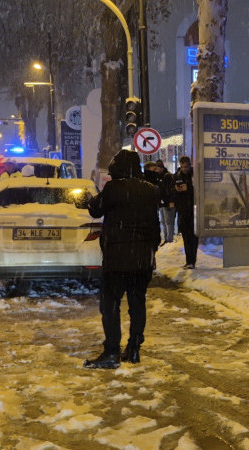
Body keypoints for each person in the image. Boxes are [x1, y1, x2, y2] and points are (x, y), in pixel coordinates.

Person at [84, 150, 161, 369]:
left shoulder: (114, 188)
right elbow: (155, 225)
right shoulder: (151, 190)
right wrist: (149, 250)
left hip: (117, 258)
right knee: (137, 304)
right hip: (142, 259)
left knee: (110, 305)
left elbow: (96, 211)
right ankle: (134, 348)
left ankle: (111, 352)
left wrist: (91, 200)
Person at [173, 155, 198, 269]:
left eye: (186, 167)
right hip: (183, 211)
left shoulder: (195, 175)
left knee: (193, 237)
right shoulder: (177, 176)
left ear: (189, 164)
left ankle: (192, 260)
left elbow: (200, 189)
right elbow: (170, 191)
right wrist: (176, 190)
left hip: (193, 210)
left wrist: (189, 189)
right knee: (186, 237)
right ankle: (189, 261)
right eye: (182, 167)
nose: (184, 169)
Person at [154, 160, 176, 245]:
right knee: (163, 221)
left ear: (162, 167)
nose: (157, 169)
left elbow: (171, 190)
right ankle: (166, 238)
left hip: (167, 202)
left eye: (158, 167)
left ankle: (169, 240)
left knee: (168, 221)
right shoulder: (158, 176)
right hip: (162, 202)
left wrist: (171, 201)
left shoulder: (167, 176)